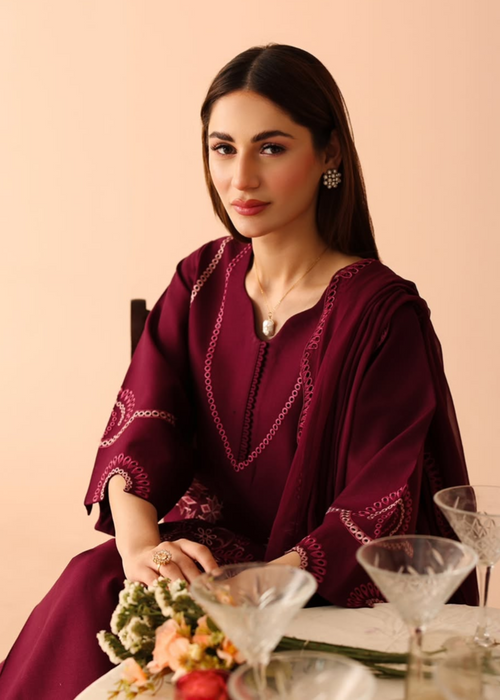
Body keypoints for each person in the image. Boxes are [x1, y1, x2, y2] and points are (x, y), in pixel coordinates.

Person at [0, 43, 476, 700]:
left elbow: (379, 498)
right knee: (94, 579)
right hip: (205, 564)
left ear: (330, 155)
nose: (241, 178)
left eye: (271, 148)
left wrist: (273, 580)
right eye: (223, 149)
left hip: (320, 588)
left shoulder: (380, 314)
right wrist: (140, 550)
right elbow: (143, 424)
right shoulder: (199, 281)